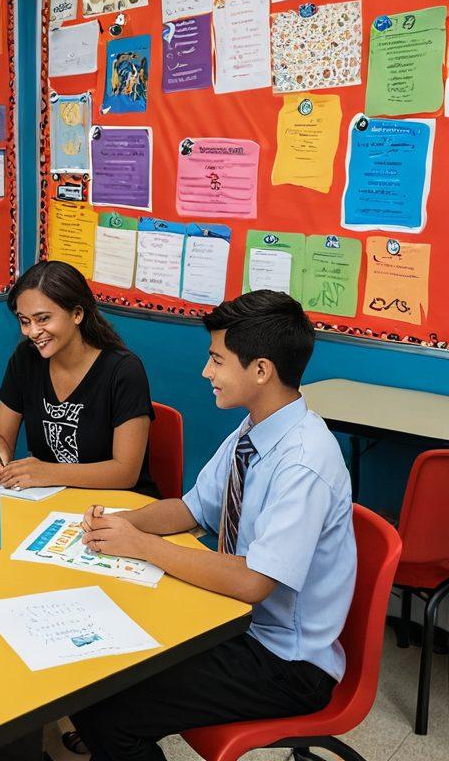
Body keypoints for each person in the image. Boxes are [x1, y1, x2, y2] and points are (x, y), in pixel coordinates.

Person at [69, 290, 356, 761]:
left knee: (106, 713)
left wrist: (142, 546)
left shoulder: (304, 463)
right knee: (91, 670)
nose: (207, 373)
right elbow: (190, 509)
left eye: (217, 361)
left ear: (260, 370)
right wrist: (121, 523)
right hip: (231, 623)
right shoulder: (253, 431)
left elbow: (252, 582)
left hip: (284, 660)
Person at [0, 260, 155, 494]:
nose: (32, 332)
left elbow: (126, 473)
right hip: (51, 502)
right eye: (24, 321)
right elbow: (0, 434)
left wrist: (47, 472)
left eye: (43, 319)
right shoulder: (25, 359)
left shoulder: (124, 370)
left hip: (118, 507)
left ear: (77, 314)